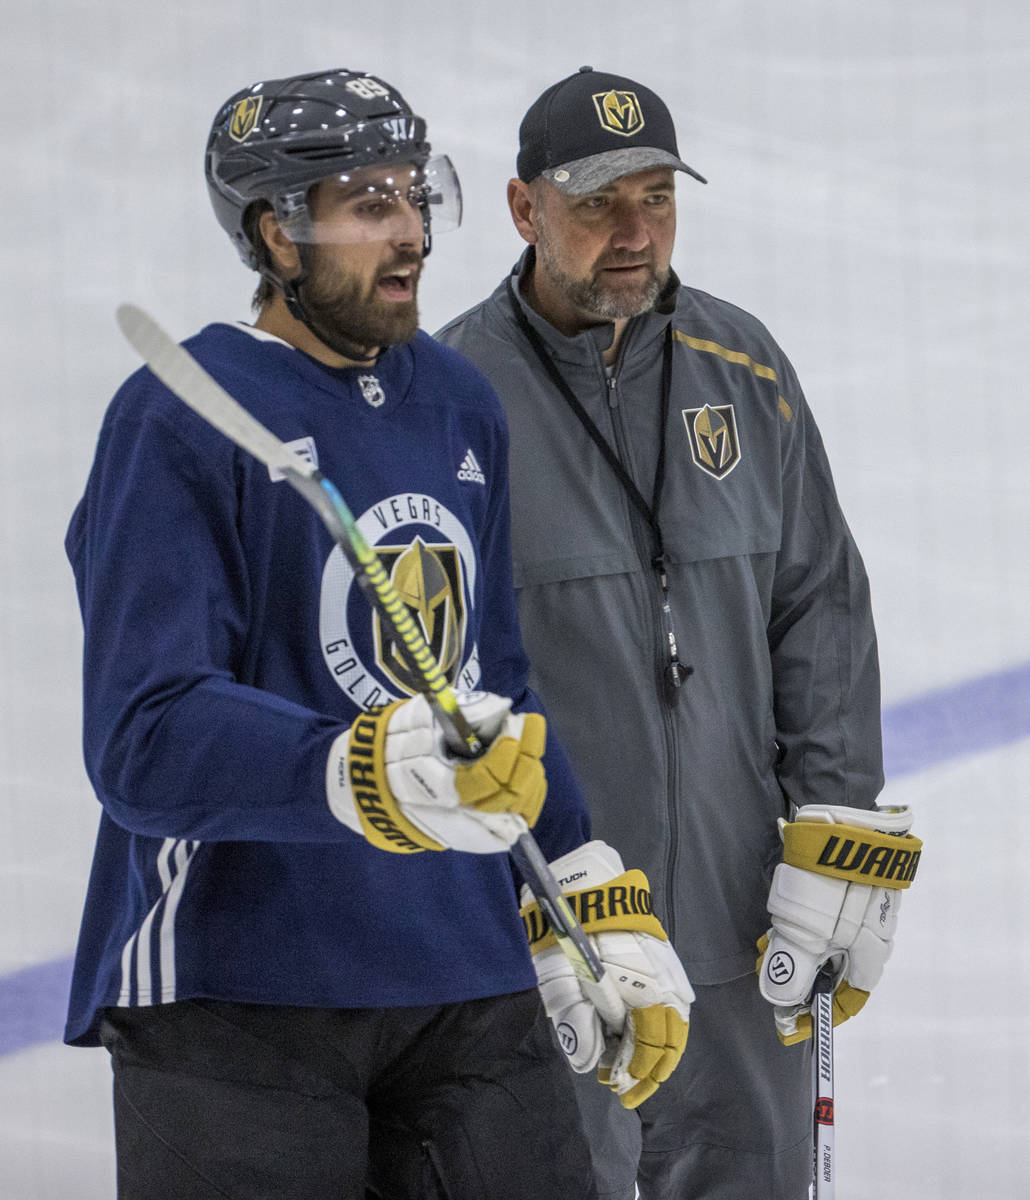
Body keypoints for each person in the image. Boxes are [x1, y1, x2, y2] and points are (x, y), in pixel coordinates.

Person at [64, 68, 695, 1200]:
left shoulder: (455, 401)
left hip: (464, 972)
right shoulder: (180, 415)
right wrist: (356, 770)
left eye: (414, 196)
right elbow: (143, 737)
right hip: (239, 993)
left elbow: (492, 684)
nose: (409, 234)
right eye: (369, 205)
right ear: (277, 232)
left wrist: (582, 894)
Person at [436, 66, 922, 1199]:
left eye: (654, 197)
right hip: (558, 930)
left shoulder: (743, 368)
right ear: (524, 210)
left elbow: (819, 608)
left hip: (744, 913)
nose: (632, 232)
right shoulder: (453, 396)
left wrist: (835, 819)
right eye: (597, 202)